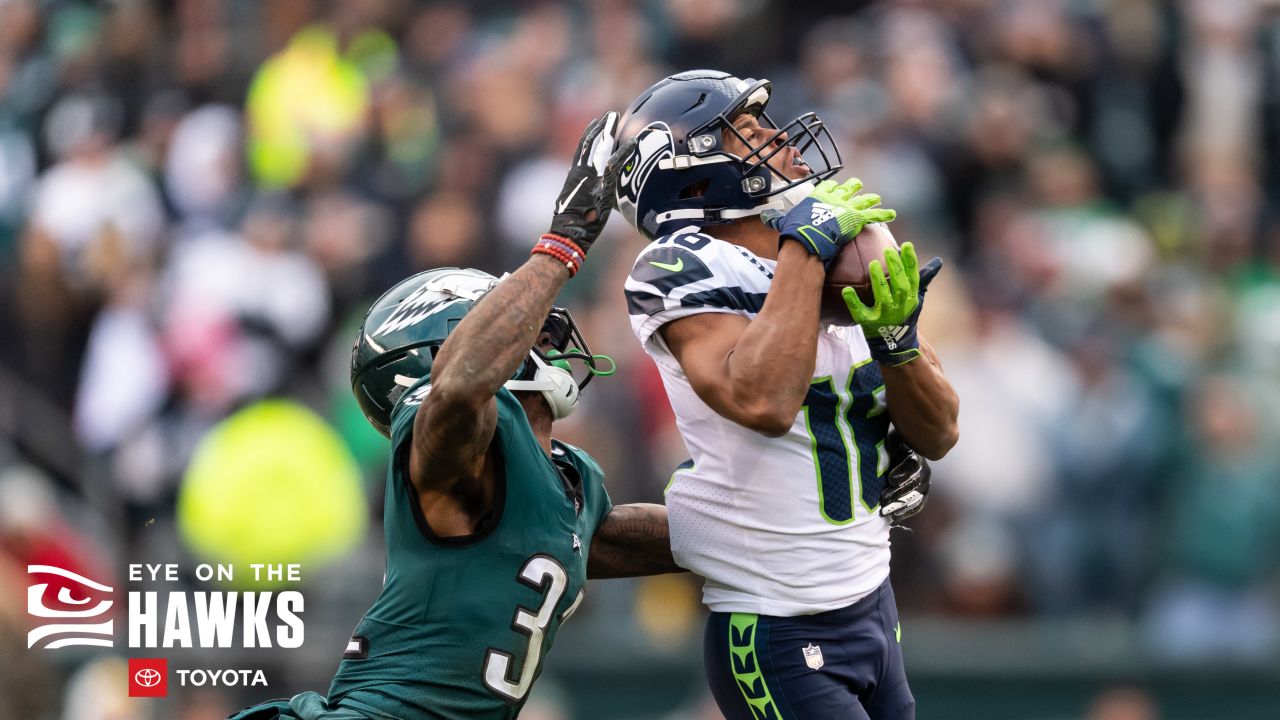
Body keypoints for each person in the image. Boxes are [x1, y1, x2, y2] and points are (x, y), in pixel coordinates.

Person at [229, 113, 680, 720]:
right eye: (505, 320)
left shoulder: (561, 476)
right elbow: (460, 390)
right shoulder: (451, 438)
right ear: (446, 350)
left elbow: (636, 540)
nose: (541, 332)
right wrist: (564, 242)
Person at [615, 70, 959, 719]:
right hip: (778, 622)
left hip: (871, 602)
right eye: (749, 131)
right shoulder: (683, 265)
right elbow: (764, 401)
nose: (779, 139)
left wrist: (896, 341)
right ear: (691, 174)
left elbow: (940, 433)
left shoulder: (837, 250)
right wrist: (806, 249)